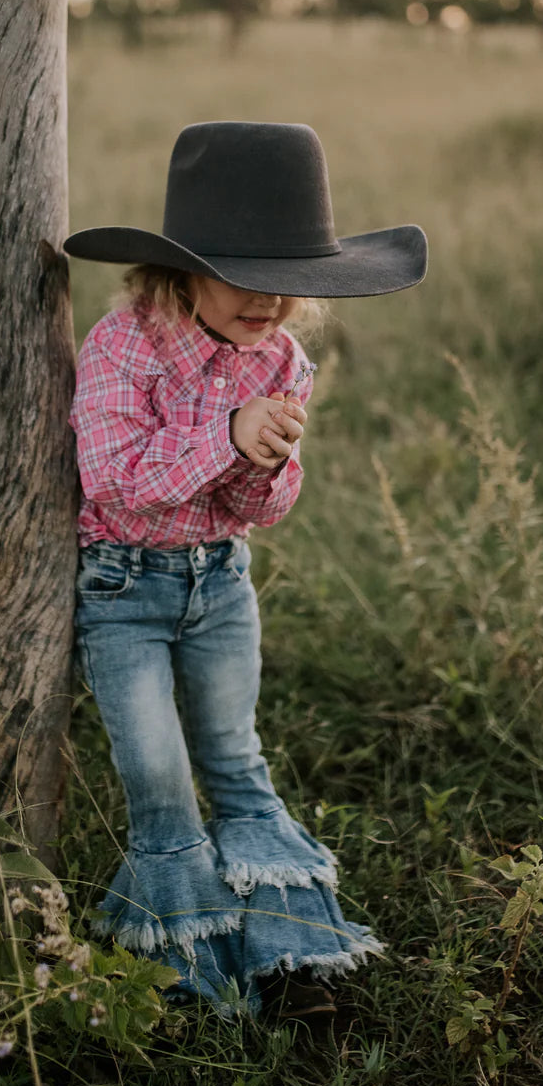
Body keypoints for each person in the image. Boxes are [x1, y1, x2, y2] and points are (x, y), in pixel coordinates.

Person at [63, 121, 427, 1022]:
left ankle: (290, 957)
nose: (270, 303)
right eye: (247, 276)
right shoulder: (122, 348)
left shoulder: (283, 361)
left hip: (221, 583)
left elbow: (253, 513)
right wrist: (225, 434)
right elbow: (115, 481)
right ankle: (180, 973)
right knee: (155, 776)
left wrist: (265, 465)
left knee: (234, 759)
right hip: (124, 590)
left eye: (292, 284)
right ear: (182, 268)